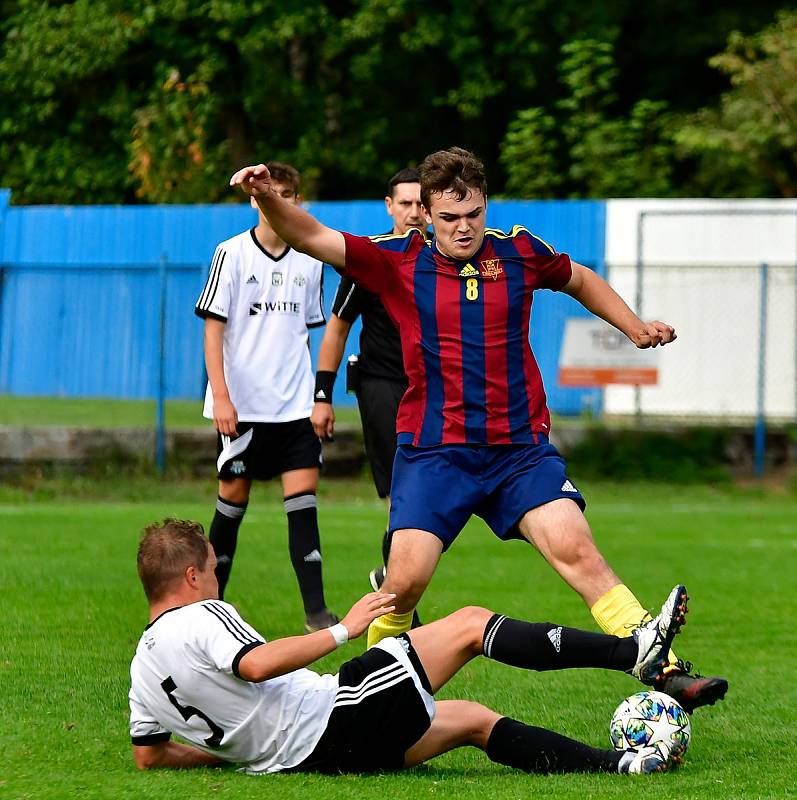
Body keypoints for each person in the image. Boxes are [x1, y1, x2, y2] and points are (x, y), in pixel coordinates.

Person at [228, 148, 728, 712]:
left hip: (519, 451)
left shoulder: (518, 251)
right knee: (404, 583)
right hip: (435, 452)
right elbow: (311, 236)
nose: (464, 228)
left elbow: (580, 279)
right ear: (428, 214)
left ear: (485, 205)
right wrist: (267, 196)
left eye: (473, 214)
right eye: (450, 218)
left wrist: (633, 327)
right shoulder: (396, 260)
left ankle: (660, 664)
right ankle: (368, 699)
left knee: (575, 546)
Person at [130, 519, 688, 776]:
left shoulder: (141, 671)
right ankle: (632, 651)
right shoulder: (201, 617)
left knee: (472, 720)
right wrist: (343, 629)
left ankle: (626, 766)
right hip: (335, 717)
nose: (217, 576)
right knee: (470, 624)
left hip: (315, 759)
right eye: (212, 568)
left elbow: (149, 755)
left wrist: (234, 755)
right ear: (191, 576)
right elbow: (254, 665)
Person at [194, 161, 338, 633]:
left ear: (297, 200)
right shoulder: (231, 254)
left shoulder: (312, 259)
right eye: (271, 192)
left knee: (304, 503)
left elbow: (306, 335)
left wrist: (320, 398)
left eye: (289, 193)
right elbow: (213, 331)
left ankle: (316, 614)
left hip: (295, 407)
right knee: (232, 503)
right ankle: (210, 610)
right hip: (243, 408)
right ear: (256, 200)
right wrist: (221, 397)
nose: (279, 200)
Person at [310, 168, 425, 586]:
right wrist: (322, 394)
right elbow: (337, 328)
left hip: (432, 391)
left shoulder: (443, 259)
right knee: (405, 493)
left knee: (433, 496)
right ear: (390, 206)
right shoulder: (372, 260)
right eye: (406, 204)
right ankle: (397, 595)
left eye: (421, 204)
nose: (414, 213)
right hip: (383, 386)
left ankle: (390, 577)